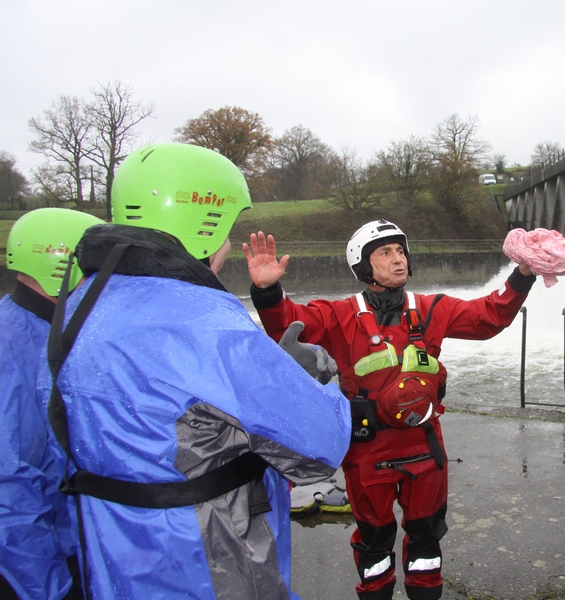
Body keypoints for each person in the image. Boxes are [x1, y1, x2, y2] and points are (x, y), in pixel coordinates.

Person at [36, 143, 351, 600]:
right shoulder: (207, 321)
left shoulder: (79, 306)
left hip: (114, 558)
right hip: (207, 564)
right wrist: (311, 377)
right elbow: (320, 449)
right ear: (202, 225)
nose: (227, 243)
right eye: (226, 228)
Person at [243, 220, 538, 600]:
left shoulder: (433, 308)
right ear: (364, 266)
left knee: (426, 538)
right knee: (374, 542)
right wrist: (267, 291)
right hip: (368, 453)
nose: (398, 259)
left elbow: (489, 315)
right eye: (385, 252)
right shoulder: (340, 314)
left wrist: (524, 274)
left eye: (401, 251)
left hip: (424, 447)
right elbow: (288, 325)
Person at [1, 208, 103, 600]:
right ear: (66, 271)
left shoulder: (48, 332)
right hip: (41, 569)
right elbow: (8, 493)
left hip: (66, 550)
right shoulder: (13, 350)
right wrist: (54, 591)